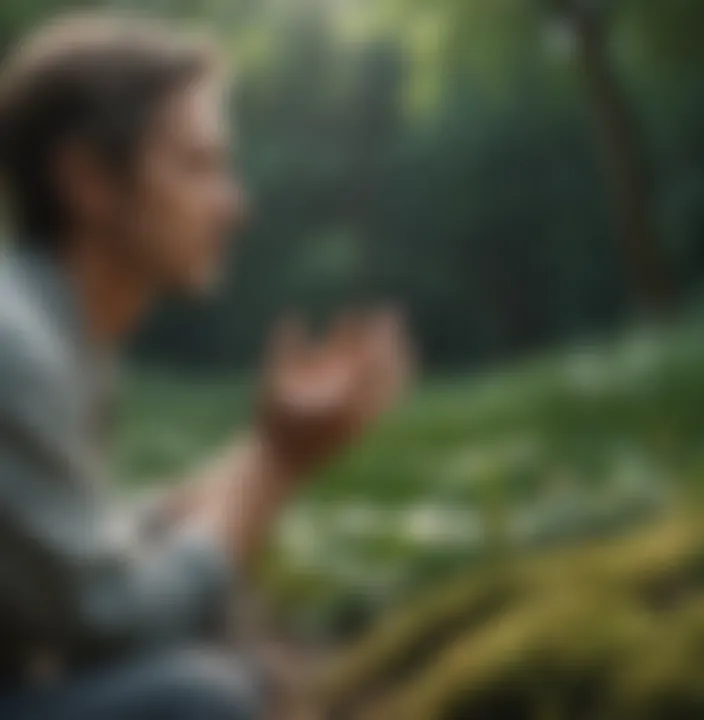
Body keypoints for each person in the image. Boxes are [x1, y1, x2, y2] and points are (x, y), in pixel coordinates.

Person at [0, 13, 412, 719]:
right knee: (196, 702)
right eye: (198, 165)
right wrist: (275, 463)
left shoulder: (54, 337)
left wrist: (272, 449)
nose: (236, 205)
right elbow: (109, 620)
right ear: (88, 180)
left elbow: (90, 560)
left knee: (214, 637)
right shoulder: (17, 351)